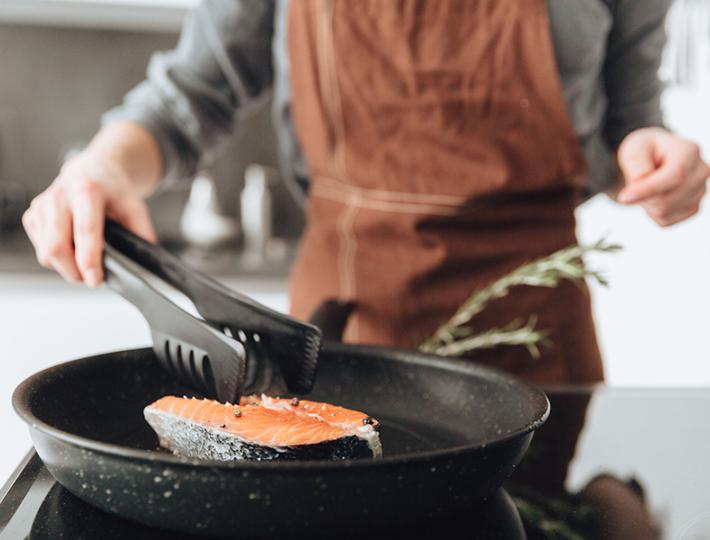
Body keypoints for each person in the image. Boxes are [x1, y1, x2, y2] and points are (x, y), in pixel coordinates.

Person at [22, 0, 709, 384]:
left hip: (539, 346)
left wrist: (650, 160)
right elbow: (188, 98)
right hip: (340, 343)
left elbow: (629, 122)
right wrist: (105, 168)